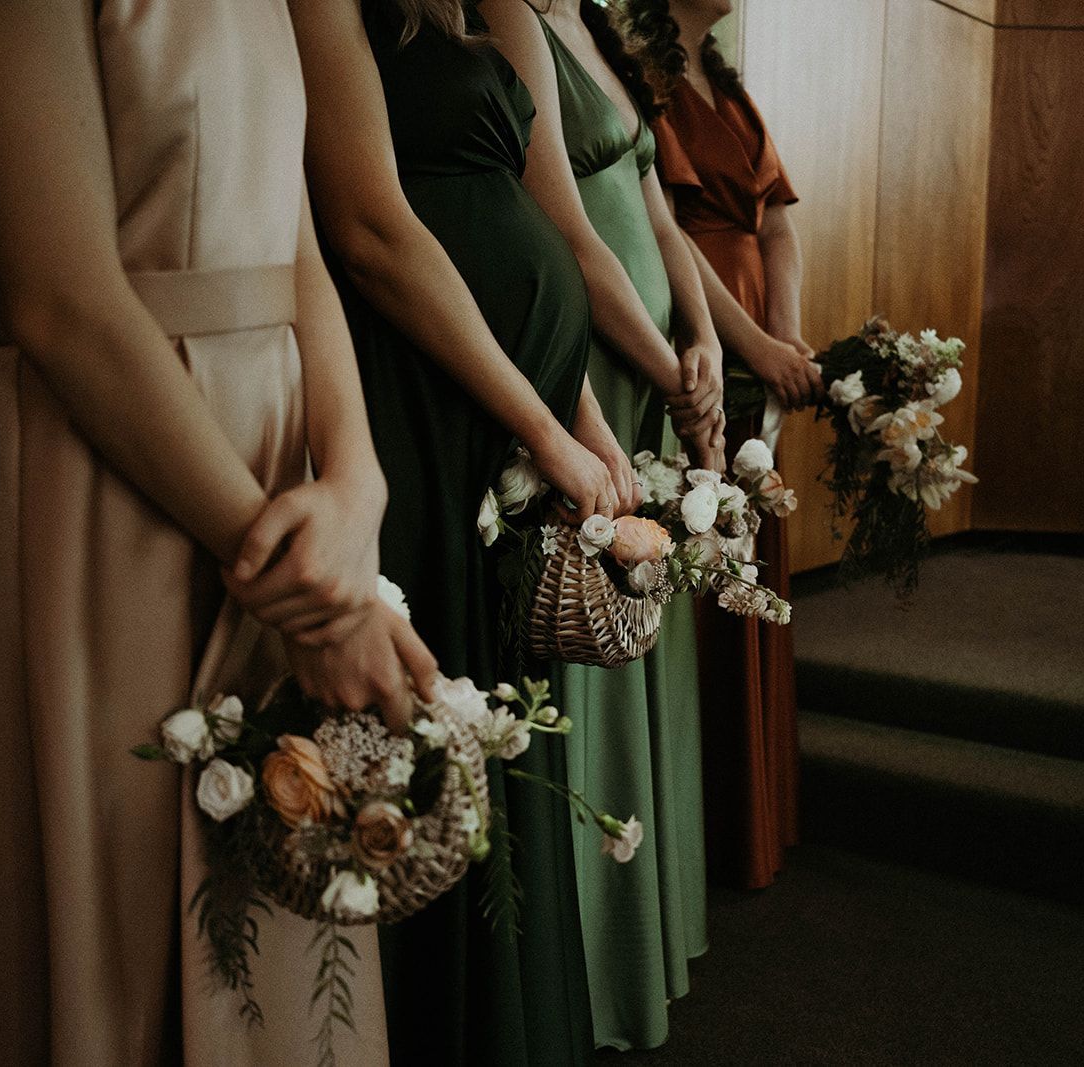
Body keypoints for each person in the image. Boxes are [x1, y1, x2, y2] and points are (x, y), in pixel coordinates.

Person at [0, 1, 440, 1063]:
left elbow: (297, 247)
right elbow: (63, 303)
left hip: (276, 457)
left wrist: (354, 481)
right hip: (103, 476)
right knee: (103, 915)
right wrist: (292, 577)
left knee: (268, 882)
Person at [290, 1, 626, 1062]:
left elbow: (542, 233)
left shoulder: (481, 8)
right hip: (417, 397)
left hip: (505, 413)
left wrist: (587, 427)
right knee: (434, 716)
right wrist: (543, 421)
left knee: (500, 716)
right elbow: (372, 230)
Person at [480, 0, 719, 1050]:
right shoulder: (506, 11)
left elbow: (658, 212)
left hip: (658, 360)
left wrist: (703, 340)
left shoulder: (592, 24)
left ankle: (645, 932)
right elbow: (565, 229)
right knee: (589, 622)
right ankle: (592, 957)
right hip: (601, 372)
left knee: (643, 630)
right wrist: (670, 376)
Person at [628, 0, 824, 890]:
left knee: (753, 547)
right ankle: (709, 821)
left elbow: (776, 223)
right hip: (697, 327)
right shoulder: (646, 69)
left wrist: (787, 339)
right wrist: (747, 343)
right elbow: (662, 230)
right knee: (710, 550)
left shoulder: (730, 88)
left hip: (758, 341)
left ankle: (758, 812)